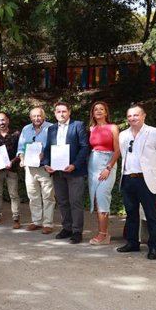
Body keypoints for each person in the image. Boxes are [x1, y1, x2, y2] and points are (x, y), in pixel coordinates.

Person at [117, 105, 156, 260]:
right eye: (130, 116)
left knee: (150, 214)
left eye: (136, 115)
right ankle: (132, 243)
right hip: (127, 179)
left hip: (145, 180)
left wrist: (152, 175)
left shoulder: (155, 133)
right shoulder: (123, 135)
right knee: (131, 213)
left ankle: (154, 247)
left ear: (144, 116)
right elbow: (124, 156)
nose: (133, 118)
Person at [43, 101, 89, 244]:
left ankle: (77, 231)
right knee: (62, 201)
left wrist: (75, 165)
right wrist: (46, 164)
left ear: (69, 112)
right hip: (57, 171)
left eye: (64, 111)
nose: (61, 114)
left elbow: (84, 147)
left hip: (74, 171)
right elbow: (47, 149)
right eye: (58, 111)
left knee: (75, 201)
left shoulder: (78, 125)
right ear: (55, 113)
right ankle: (66, 228)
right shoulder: (52, 129)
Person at [17, 107, 55, 234]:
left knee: (48, 196)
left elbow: (56, 146)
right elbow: (21, 147)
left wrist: (46, 155)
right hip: (30, 168)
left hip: (45, 167)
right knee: (33, 195)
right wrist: (22, 158)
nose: (36, 118)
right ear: (30, 117)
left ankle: (48, 223)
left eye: (39, 116)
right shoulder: (26, 129)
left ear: (43, 116)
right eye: (34, 116)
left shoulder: (51, 127)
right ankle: (36, 221)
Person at [87, 101, 120, 245]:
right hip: (92, 165)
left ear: (106, 112)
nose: (98, 111)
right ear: (93, 113)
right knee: (96, 199)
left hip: (107, 163)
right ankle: (102, 231)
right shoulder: (91, 128)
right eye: (96, 109)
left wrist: (108, 168)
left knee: (102, 197)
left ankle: (103, 235)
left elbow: (118, 150)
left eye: (102, 109)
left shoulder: (113, 127)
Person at [0, 112, 21, 228]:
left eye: (3, 120)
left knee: (13, 194)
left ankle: (16, 219)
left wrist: (13, 161)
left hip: (12, 168)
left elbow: (21, 151)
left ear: (8, 120)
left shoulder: (16, 134)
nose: (1, 122)